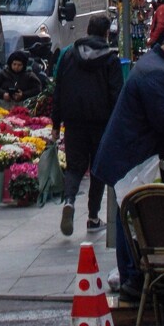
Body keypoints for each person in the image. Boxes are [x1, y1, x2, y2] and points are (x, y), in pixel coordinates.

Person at [92, 30, 164, 299]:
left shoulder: (156, 65)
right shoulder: (156, 74)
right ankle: (133, 277)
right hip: (130, 158)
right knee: (130, 215)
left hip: (130, 154)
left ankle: (134, 274)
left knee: (129, 215)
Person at [51, 13, 123, 236]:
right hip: (101, 124)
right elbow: (117, 94)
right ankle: (92, 217)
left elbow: (58, 90)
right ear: (105, 33)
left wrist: (56, 123)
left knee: (75, 167)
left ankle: (69, 202)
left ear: (88, 30)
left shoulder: (69, 55)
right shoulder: (110, 59)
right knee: (98, 170)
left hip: (73, 122)